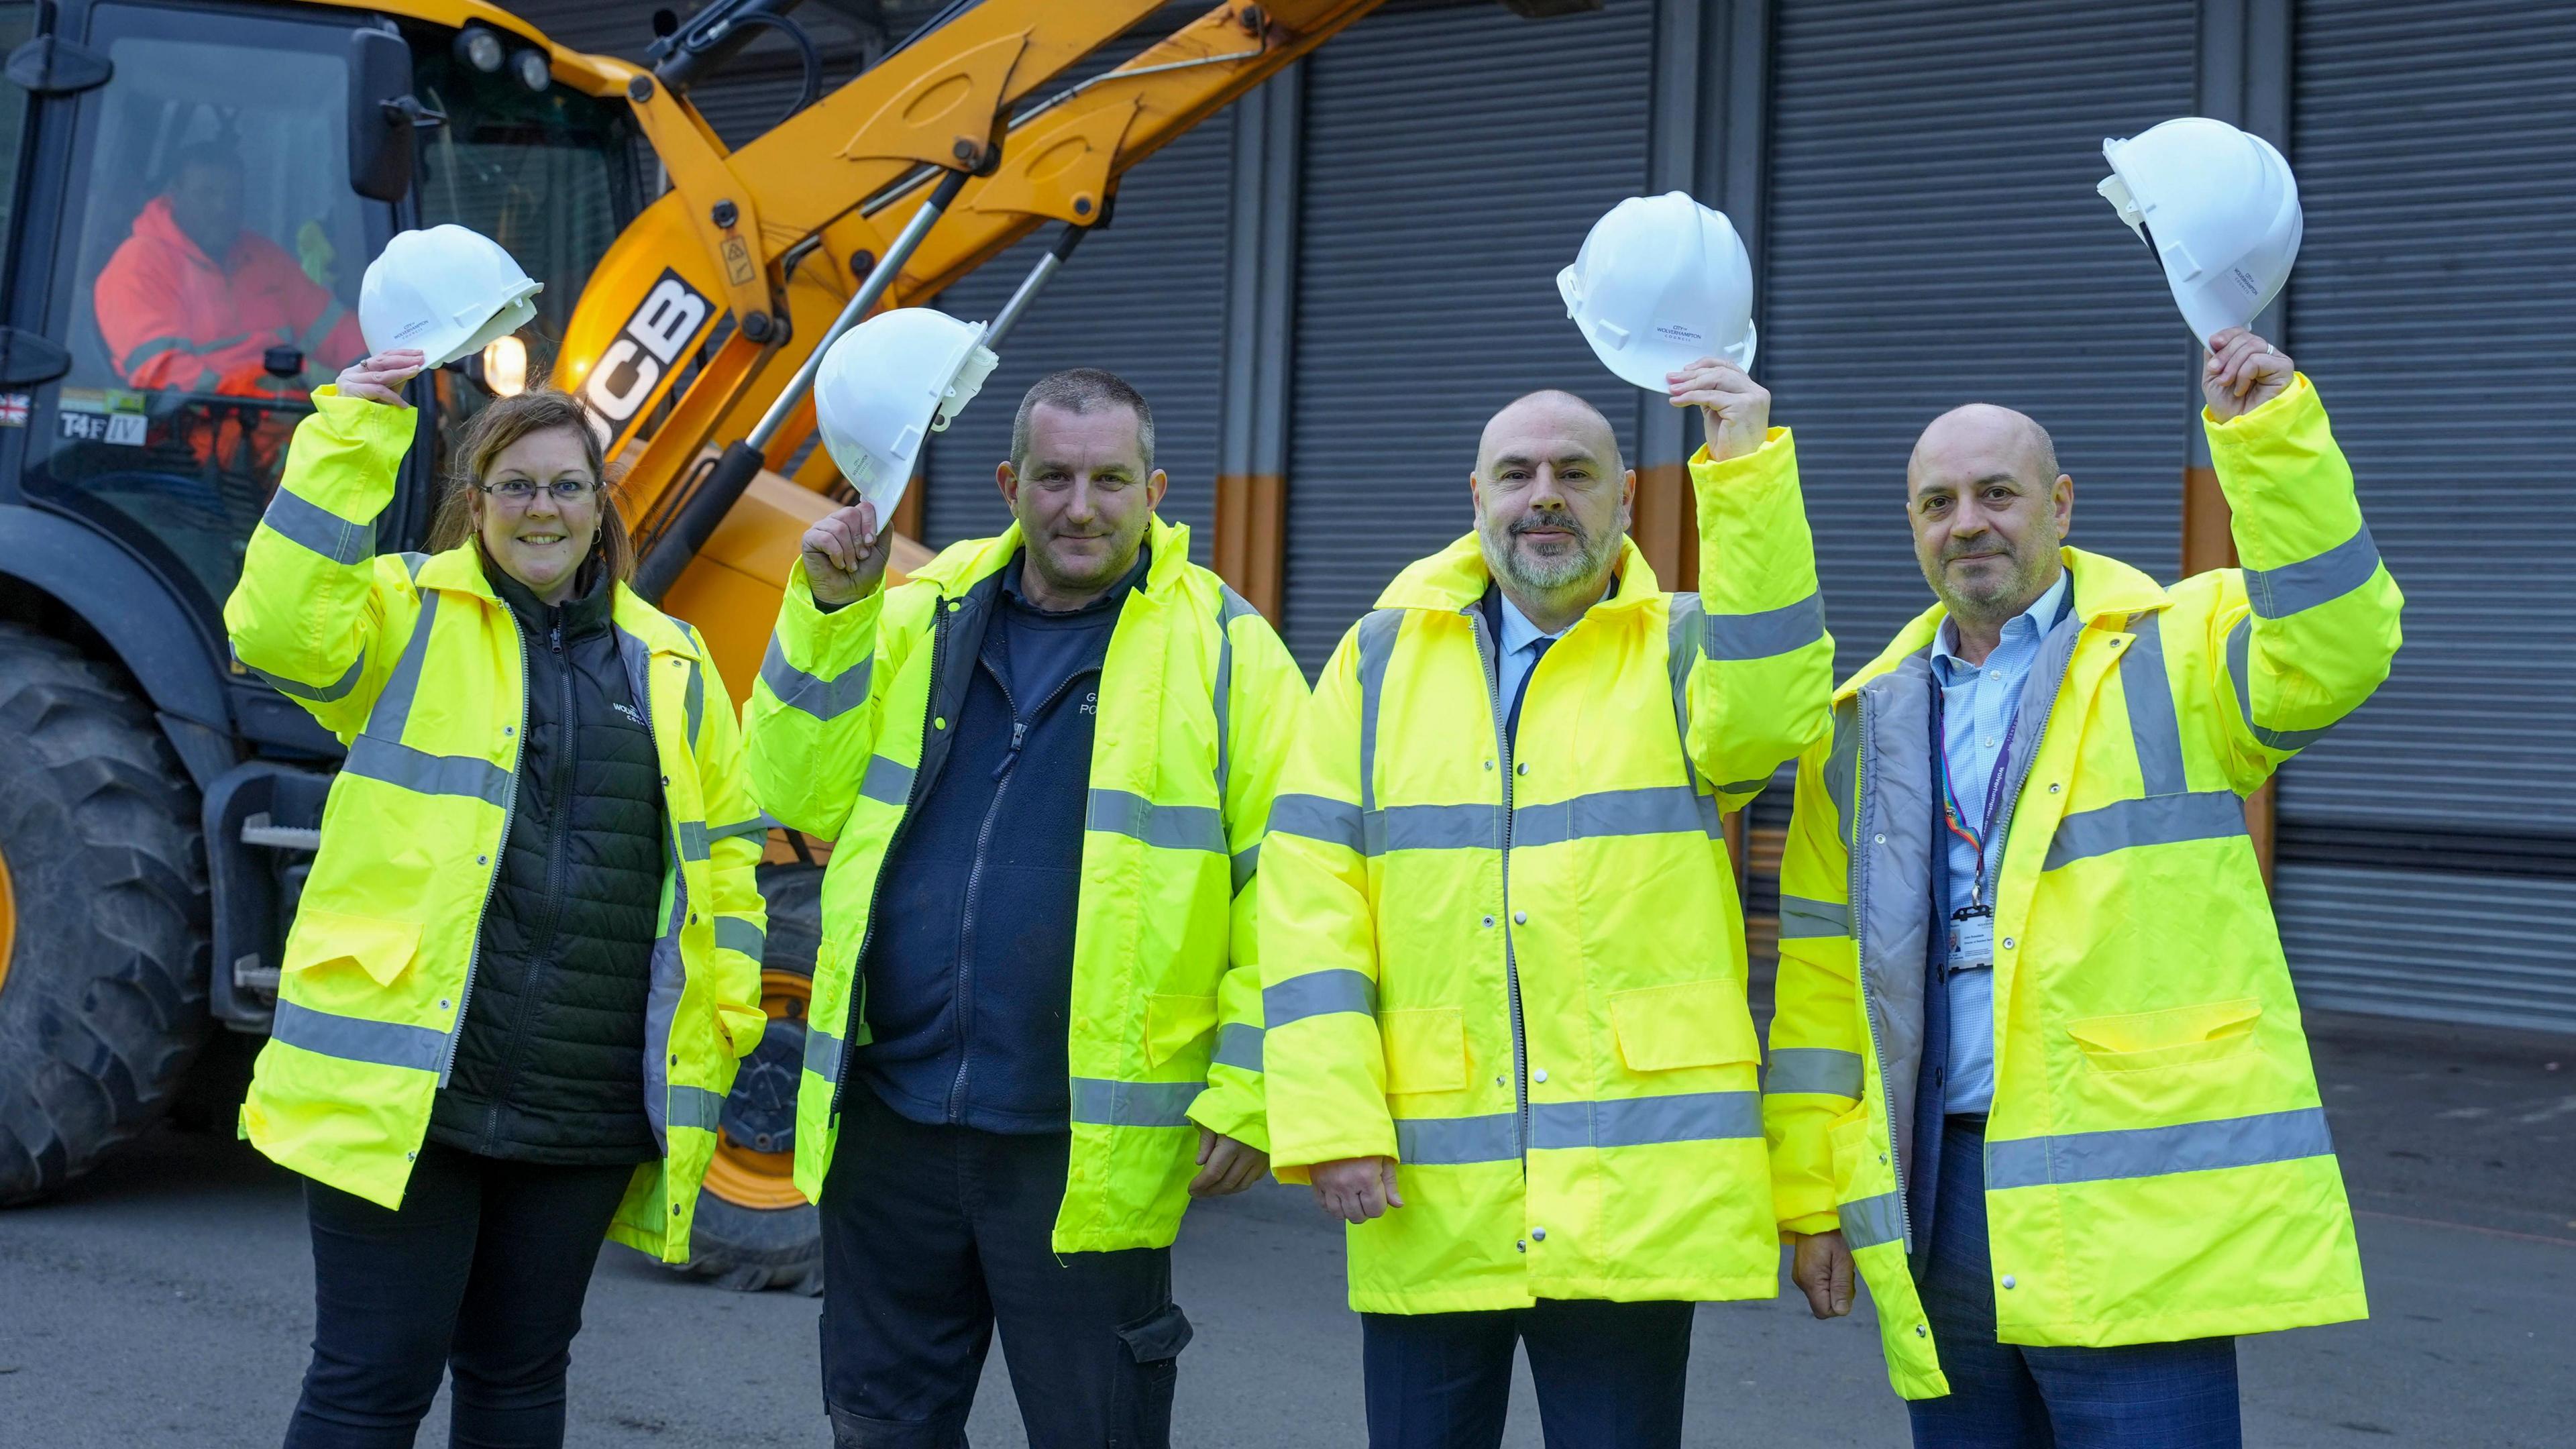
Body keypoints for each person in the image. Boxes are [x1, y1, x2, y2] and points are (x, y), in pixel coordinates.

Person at [1763, 328, 2399, 1447]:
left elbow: (2339, 647)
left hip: (2132, 1189)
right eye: (1938, 502)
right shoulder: (1864, 725)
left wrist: (2272, 439)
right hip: (1942, 1183)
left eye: (1998, 493)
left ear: (2061, 503)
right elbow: (1821, 979)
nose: (1969, 522)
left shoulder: (2182, 650)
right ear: (1913, 528)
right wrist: (1813, 1191)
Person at [1258, 364, 1834, 1448]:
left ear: (1627, 502)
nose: (1545, 496)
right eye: (1516, 474)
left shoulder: (1688, 648)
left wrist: (1748, 470)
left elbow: (1777, 713)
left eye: (1578, 472)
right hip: (1429, 1184)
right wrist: (1333, 1118)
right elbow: (1309, 894)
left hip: (1629, 1190)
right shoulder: (1378, 660)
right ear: (1473, 499)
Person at [741, 368, 1309, 1448]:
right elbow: (795, 790)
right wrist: (826, 616)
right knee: (881, 1430)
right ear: (1009, 483)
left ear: (1156, 488)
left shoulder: (1230, 654)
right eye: (1054, 476)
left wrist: (1250, 1086)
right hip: (893, 1127)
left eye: (1108, 479)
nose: (1080, 506)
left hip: (1080, 1148)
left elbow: (1292, 889)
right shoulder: (915, 611)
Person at [225, 349, 770, 1448]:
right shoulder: (402, 618)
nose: (542, 508)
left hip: (581, 1107)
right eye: (515, 485)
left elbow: (729, 864)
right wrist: (349, 440)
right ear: (473, 504)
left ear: (600, 505)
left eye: (566, 485)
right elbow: (274, 628)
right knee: (370, 1383)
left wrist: (729, 1016)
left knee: (520, 1380)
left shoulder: (670, 662)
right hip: (413, 1088)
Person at [95, 142, 364, 397]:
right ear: (174, 196)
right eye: (207, 194)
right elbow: (162, 376)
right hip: (187, 436)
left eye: (233, 195)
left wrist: (381, 368)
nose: (222, 207)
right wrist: (261, 397)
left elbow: (337, 331)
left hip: (281, 428)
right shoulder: (139, 263)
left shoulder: (264, 257)